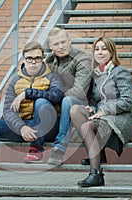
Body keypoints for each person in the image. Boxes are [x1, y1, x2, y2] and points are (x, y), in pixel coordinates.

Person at [0, 41, 64, 184]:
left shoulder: (53, 77)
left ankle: (37, 149)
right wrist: (21, 127)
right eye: (29, 58)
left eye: (37, 58)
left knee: (41, 103)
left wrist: (28, 93)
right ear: (23, 59)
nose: (33, 62)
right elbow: (8, 109)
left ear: (43, 59)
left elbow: (56, 96)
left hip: (48, 128)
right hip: (26, 128)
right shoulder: (15, 80)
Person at [70, 37, 132, 187]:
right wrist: (92, 108)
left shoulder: (120, 72)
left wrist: (104, 110)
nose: (100, 52)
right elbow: (94, 99)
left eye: (104, 49)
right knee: (75, 110)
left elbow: (128, 101)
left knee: (86, 127)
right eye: (97, 49)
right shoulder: (96, 74)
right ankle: (98, 153)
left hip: (119, 117)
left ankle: (96, 174)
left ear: (112, 52)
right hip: (100, 116)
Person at [44, 27, 92, 166]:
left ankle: (59, 148)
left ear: (69, 41)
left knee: (67, 100)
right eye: (56, 44)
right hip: (59, 102)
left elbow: (79, 91)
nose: (61, 47)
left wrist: (54, 96)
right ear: (50, 46)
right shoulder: (50, 60)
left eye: (63, 42)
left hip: (82, 104)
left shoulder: (82, 58)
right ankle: (35, 146)